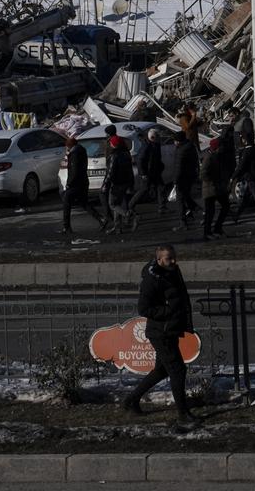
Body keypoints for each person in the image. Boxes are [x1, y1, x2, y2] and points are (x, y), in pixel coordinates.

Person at [121, 244, 198, 429]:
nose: (174, 261)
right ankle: (183, 415)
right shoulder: (152, 280)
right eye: (169, 258)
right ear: (159, 259)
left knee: (163, 370)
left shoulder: (172, 270)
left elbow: (181, 296)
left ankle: (131, 400)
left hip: (170, 329)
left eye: (174, 257)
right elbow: (144, 308)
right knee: (178, 370)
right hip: (161, 332)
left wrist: (183, 319)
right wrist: (169, 311)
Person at [61, 135, 104, 234]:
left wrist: (69, 183)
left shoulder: (74, 154)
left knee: (67, 202)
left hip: (75, 184)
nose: (66, 148)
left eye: (67, 146)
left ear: (70, 146)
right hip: (83, 182)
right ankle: (101, 219)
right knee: (84, 203)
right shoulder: (81, 151)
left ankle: (66, 227)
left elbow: (74, 170)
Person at [102, 134, 137, 234]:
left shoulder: (114, 155)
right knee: (117, 204)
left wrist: (105, 184)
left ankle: (129, 215)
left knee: (112, 204)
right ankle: (117, 227)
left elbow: (110, 172)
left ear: (114, 144)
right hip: (125, 182)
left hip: (116, 183)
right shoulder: (126, 153)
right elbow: (130, 170)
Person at [200, 138, 230, 239]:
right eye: (221, 146)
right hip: (210, 189)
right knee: (210, 211)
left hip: (217, 188)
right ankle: (207, 233)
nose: (223, 148)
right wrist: (213, 179)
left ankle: (217, 228)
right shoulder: (209, 157)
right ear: (216, 147)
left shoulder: (218, 156)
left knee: (225, 206)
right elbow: (203, 174)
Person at [173, 132, 200, 229]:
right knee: (186, 196)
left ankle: (182, 222)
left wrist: (175, 180)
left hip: (182, 178)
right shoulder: (190, 146)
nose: (174, 143)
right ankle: (196, 211)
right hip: (190, 176)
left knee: (180, 199)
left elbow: (178, 167)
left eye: (175, 141)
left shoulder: (181, 150)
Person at [136, 129, 165, 218]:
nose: (159, 138)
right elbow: (140, 160)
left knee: (161, 187)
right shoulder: (146, 146)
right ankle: (130, 205)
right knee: (144, 190)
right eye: (158, 137)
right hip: (148, 172)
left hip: (155, 171)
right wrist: (143, 173)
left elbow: (157, 158)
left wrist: (160, 166)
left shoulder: (155, 144)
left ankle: (162, 207)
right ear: (153, 137)